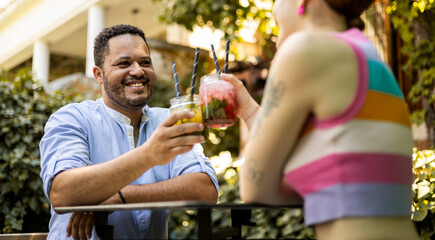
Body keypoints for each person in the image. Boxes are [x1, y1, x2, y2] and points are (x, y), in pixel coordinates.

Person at [221, 0, 419, 239]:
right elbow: (343, 179)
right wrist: (250, 111)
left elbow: (255, 188)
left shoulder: (304, 49)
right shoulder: (368, 56)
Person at [39, 24, 218, 240]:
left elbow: (205, 190)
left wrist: (120, 197)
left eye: (145, 62)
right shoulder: (72, 118)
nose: (138, 71)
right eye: (124, 63)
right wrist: (149, 155)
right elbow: (64, 193)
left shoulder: (169, 120)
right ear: (99, 74)